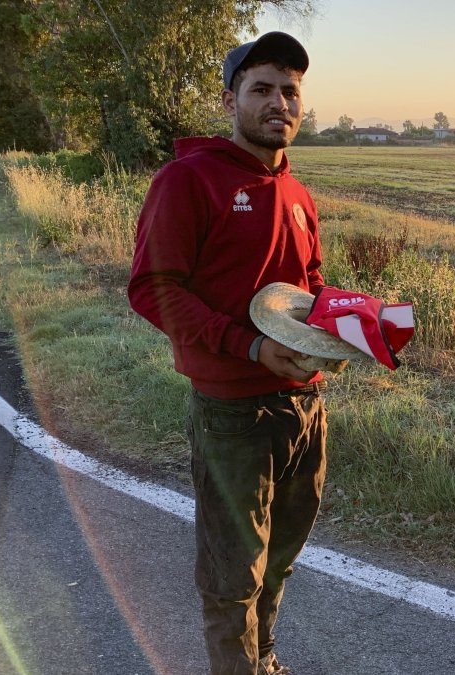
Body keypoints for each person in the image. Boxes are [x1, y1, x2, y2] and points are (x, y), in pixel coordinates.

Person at [128, 32, 324, 675]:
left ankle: (263, 658)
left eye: (289, 91)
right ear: (229, 100)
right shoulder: (188, 180)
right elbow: (153, 289)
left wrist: (355, 324)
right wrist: (250, 346)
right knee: (232, 575)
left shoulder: (297, 194)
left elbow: (310, 286)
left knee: (282, 557)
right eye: (261, 89)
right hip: (232, 414)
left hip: (305, 406)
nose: (279, 103)